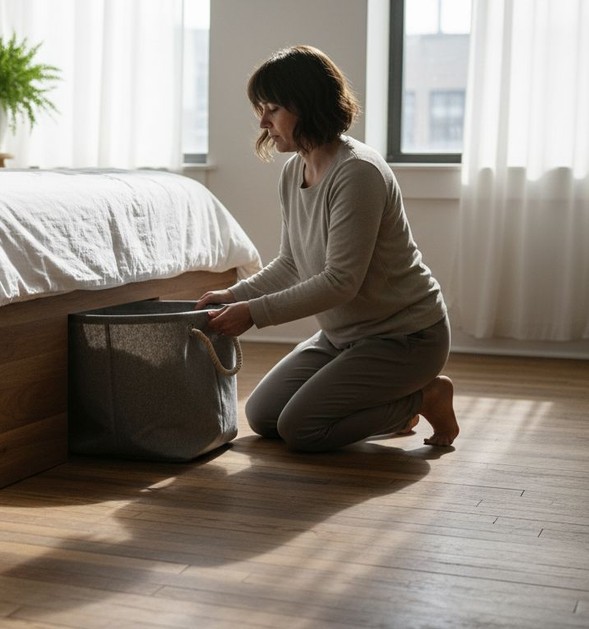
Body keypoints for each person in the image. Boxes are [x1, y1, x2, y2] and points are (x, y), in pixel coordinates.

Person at [196, 45, 459, 451]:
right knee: (264, 417)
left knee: (303, 429)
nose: (263, 122)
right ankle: (385, 396)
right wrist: (234, 295)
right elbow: (291, 263)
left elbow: (340, 282)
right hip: (341, 337)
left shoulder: (358, 173)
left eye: (272, 109)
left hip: (405, 337)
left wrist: (252, 313)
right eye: (260, 110)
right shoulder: (293, 170)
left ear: (307, 106)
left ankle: (424, 398)